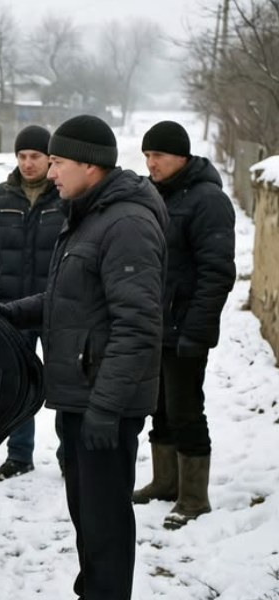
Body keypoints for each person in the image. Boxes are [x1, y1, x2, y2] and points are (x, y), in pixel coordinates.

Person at [0, 115, 167, 600]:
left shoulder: (126, 225)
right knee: (86, 514)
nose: (49, 173)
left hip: (104, 402)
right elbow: (67, 302)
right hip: (82, 395)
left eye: (59, 163)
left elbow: (137, 326)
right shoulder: (88, 214)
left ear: (89, 165)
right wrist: (3, 313)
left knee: (107, 519)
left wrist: (106, 409)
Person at [135, 121, 235, 529]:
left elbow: (217, 273)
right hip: (155, 324)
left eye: (157, 155)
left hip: (186, 328)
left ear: (181, 155)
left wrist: (197, 330)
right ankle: (164, 481)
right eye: (146, 155)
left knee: (186, 409)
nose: (150, 163)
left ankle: (194, 497)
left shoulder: (208, 201)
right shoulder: (155, 194)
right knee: (158, 407)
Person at [0, 125, 65, 481]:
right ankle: (18, 456)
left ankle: (68, 456)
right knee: (16, 386)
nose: (27, 163)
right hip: (10, 310)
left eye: (35, 156)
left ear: (49, 159)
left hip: (56, 308)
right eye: (22, 156)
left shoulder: (64, 198)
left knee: (62, 383)